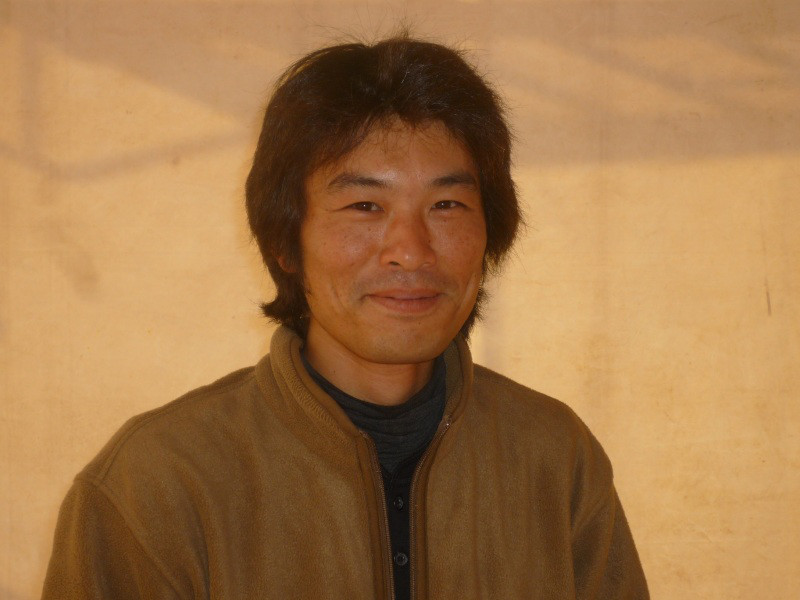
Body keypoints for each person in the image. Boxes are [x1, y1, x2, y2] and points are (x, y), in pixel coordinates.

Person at [42, 35, 649, 599]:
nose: (411, 250)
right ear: (284, 241)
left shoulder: (555, 457)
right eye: (364, 205)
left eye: (446, 204)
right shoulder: (156, 482)